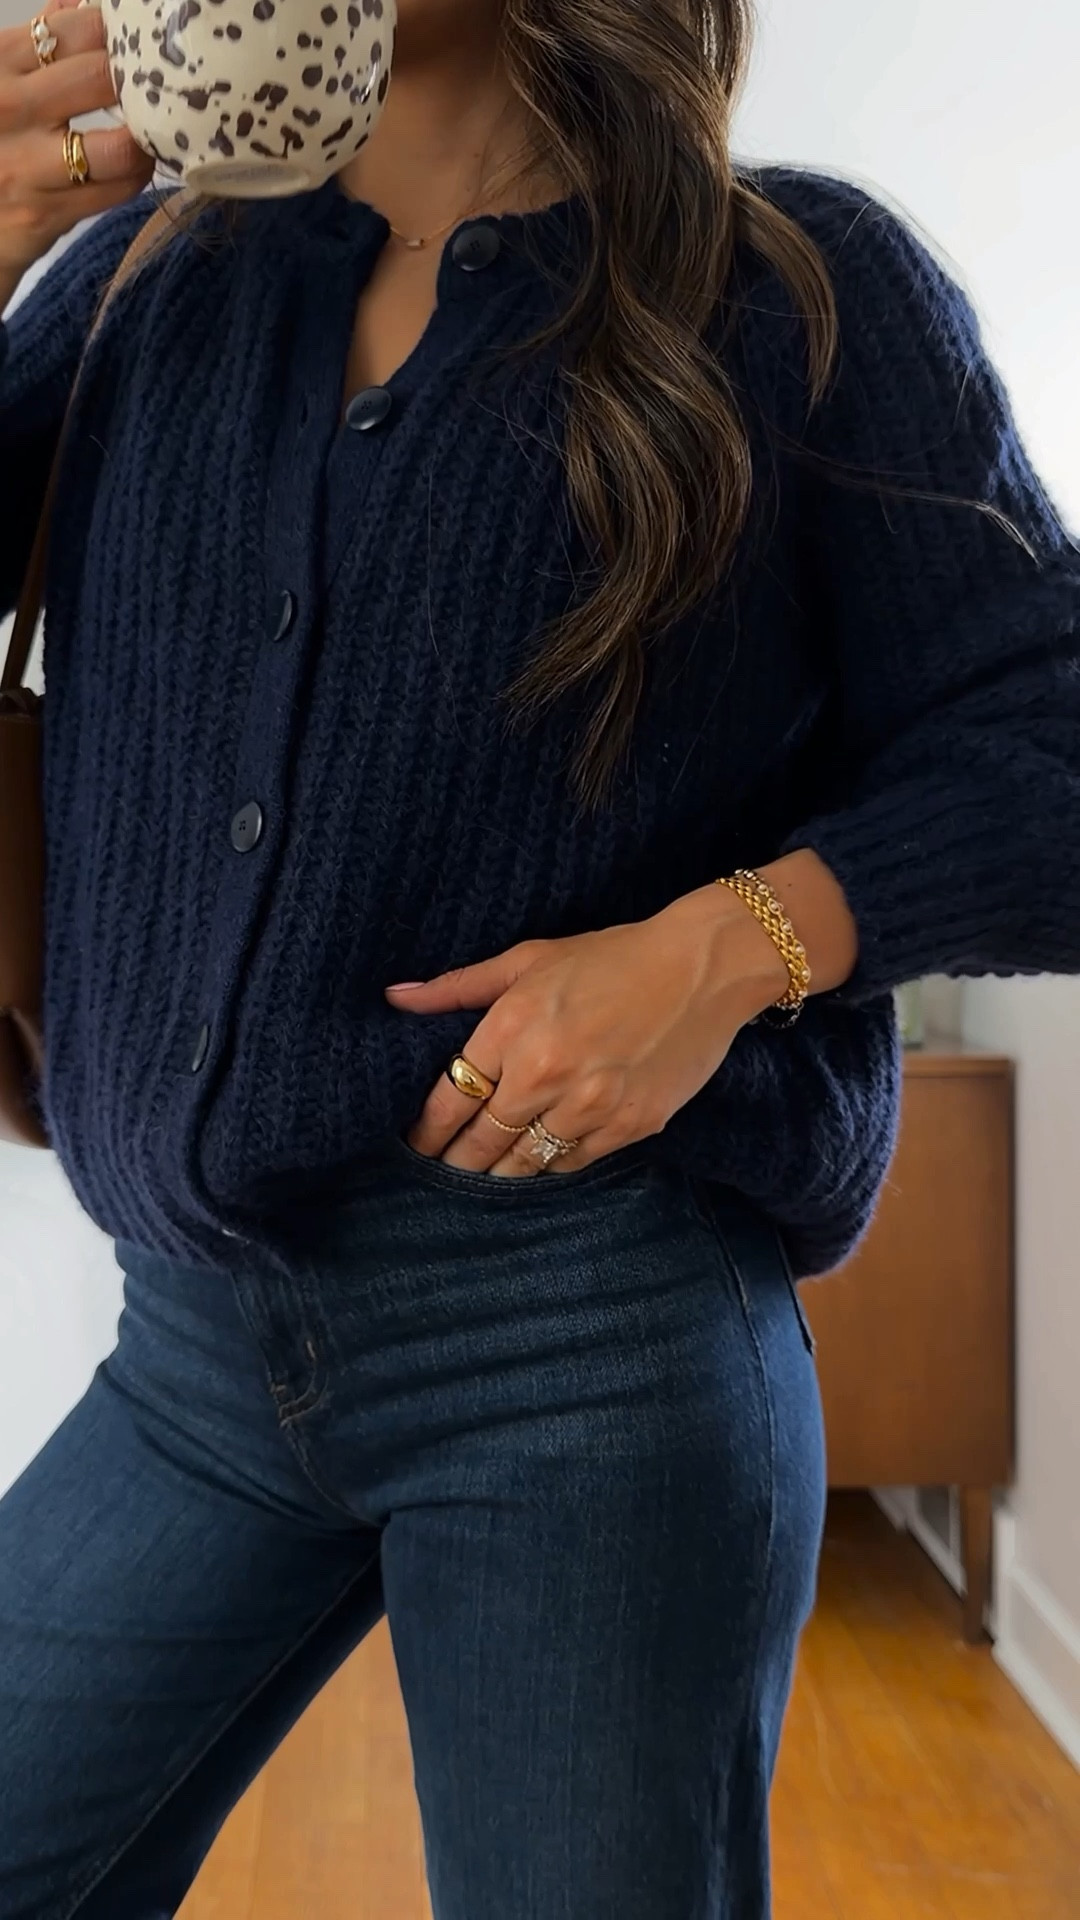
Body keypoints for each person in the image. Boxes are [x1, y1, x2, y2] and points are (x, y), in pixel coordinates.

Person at [1, 0, 1077, 1913]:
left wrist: (730, 947)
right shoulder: (128, 293)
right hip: (195, 1345)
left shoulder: (795, 297)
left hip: (592, 1350)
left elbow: (1050, 751)